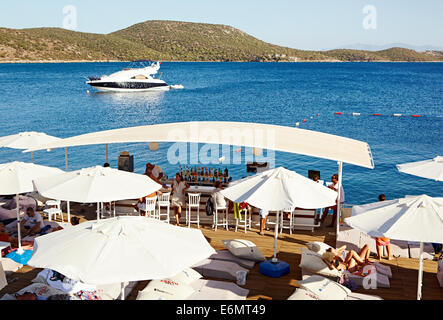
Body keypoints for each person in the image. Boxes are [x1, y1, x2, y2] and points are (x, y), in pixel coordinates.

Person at [374, 194, 392, 260]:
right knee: (387, 242)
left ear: (378, 199)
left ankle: (379, 257)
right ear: (385, 199)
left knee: (378, 242)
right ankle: (389, 256)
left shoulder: (377, 207)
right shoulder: (388, 207)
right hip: (386, 226)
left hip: (379, 226)